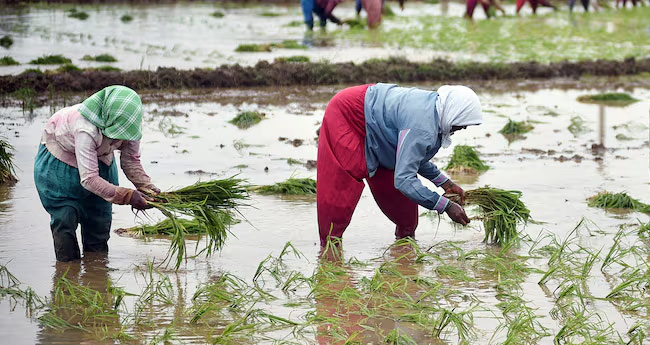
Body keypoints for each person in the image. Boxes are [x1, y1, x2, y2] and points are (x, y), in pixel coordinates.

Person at [316, 83, 482, 247]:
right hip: (350, 115)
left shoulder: (436, 113)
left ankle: (404, 254)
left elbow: (414, 156)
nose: (464, 127)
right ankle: (329, 255)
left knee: (406, 218)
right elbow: (403, 180)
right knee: (340, 191)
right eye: (463, 122)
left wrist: (445, 183)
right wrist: (445, 206)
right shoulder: (422, 126)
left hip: (381, 130)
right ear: (454, 112)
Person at [34, 85, 159, 262]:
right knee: (65, 219)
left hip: (101, 160)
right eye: (116, 133)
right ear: (107, 119)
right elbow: (90, 179)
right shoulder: (85, 127)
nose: (120, 138)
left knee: (99, 221)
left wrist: (147, 187)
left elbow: (130, 161)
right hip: (60, 166)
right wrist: (128, 196)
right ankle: (68, 271)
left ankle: (96, 274)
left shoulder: (131, 124)